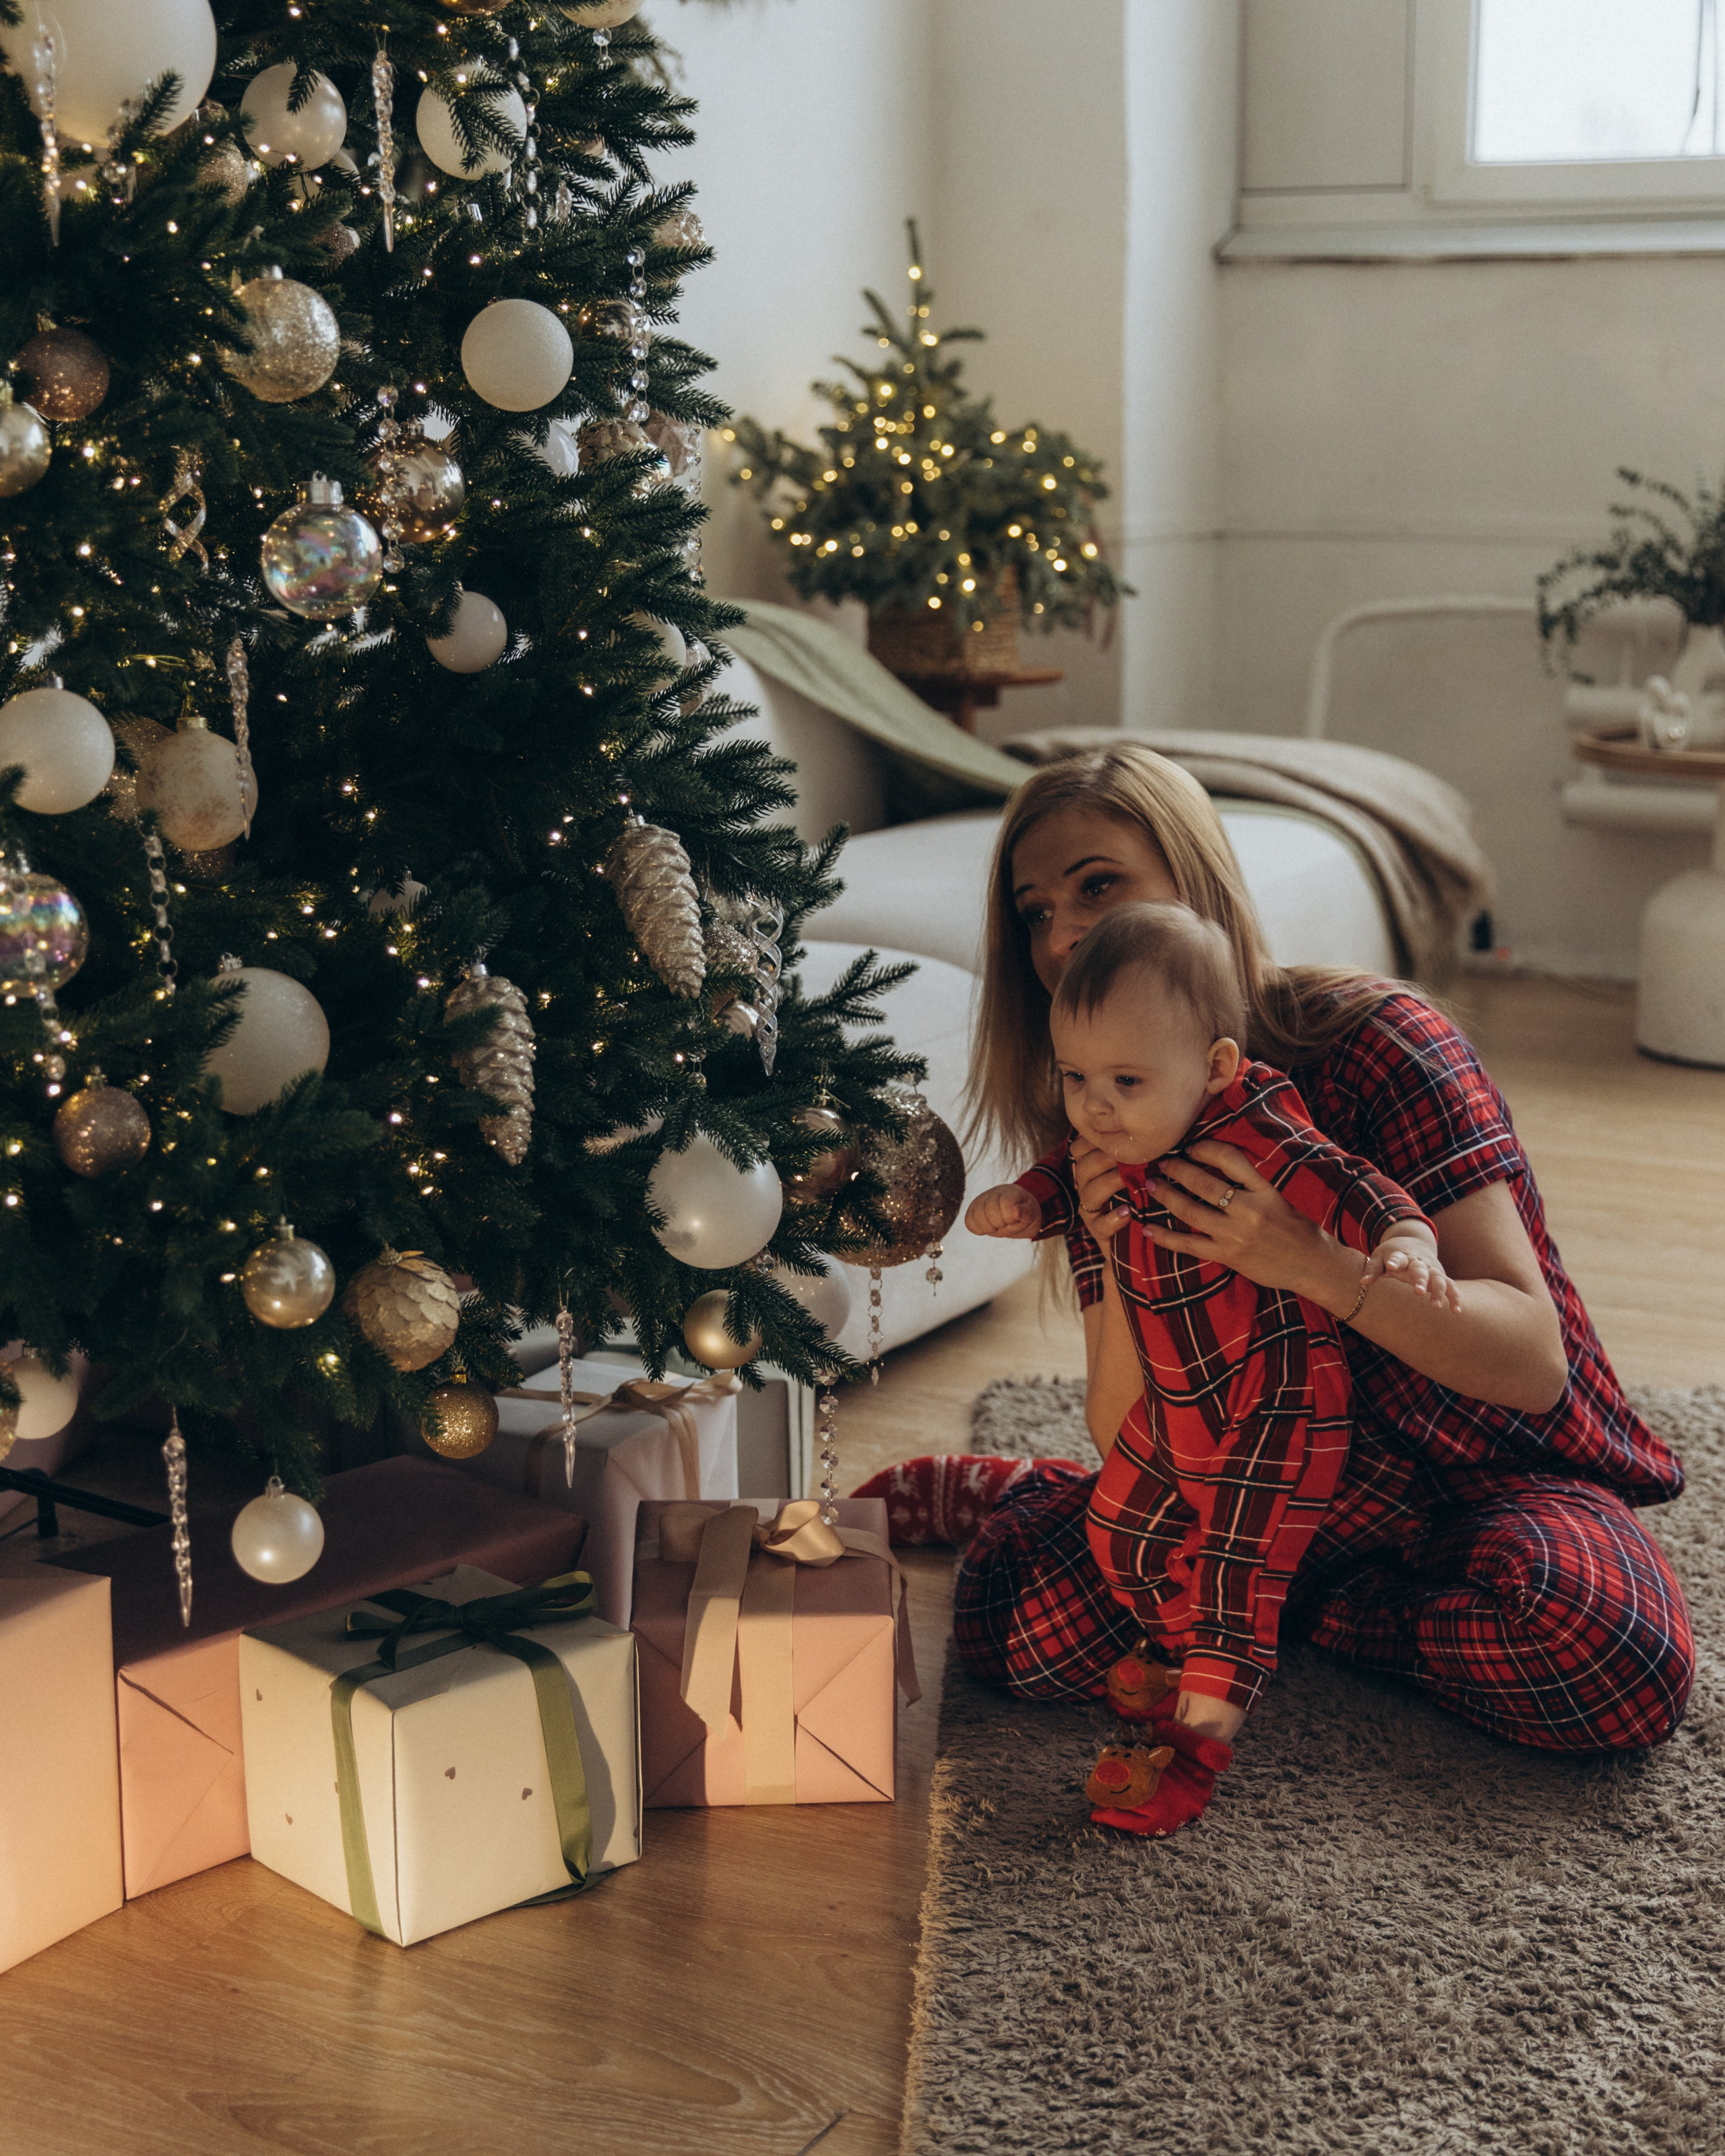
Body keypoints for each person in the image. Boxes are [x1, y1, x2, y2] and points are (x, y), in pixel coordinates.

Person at [858, 741, 1693, 1770]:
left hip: (1477, 1471)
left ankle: (1279, 1617)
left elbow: (1531, 1364)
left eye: (1099, 886)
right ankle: (1181, 1564)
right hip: (1251, 1480)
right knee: (1015, 1629)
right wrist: (1116, 1257)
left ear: (1196, 885)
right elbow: (1129, 1423)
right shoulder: (1109, 1115)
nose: (1065, 933)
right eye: (1035, 911)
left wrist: (1314, 1264)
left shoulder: (1384, 1040)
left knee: (1607, 1659)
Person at [966, 899, 1453, 1836]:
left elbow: (1353, 1184)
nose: (1095, 1107)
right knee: (1121, 1529)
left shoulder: (1258, 1127)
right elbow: (1060, 1169)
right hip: (1178, 1400)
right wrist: (1025, 1204)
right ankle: (1188, 1653)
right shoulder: (1114, 1143)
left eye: (1125, 1081)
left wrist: (1404, 1241)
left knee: (1236, 1566)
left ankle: (1192, 1756)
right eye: (1076, 1078)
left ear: (1216, 1068)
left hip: (1278, 1402)